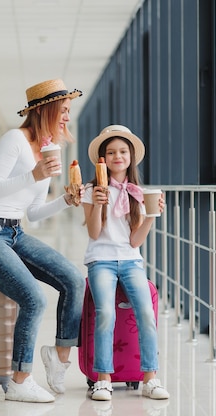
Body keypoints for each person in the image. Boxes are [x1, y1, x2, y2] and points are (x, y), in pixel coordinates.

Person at [0, 79, 86, 403]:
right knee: (34, 299)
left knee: (74, 279)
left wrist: (66, 200)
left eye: (68, 112)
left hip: (15, 232)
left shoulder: (47, 148)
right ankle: (20, 379)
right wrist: (34, 174)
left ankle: (59, 359)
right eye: (63, 111)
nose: (66, 118)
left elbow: (32, 212)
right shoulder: (15, 140)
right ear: (44, 110)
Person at [81, 125, 169, 401]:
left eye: (122, 151)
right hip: (101, 260)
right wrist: (98, 202)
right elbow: (94, 233)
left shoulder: (137, 193)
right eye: (111, 152)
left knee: (146, 313)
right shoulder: (89, 190)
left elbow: (134, 241)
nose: (117, 156)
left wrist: (153, 214)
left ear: (130, 156)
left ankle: (150, 378)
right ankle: (103, 379)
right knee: (105, 313)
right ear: (102, 159)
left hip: (131, 261)